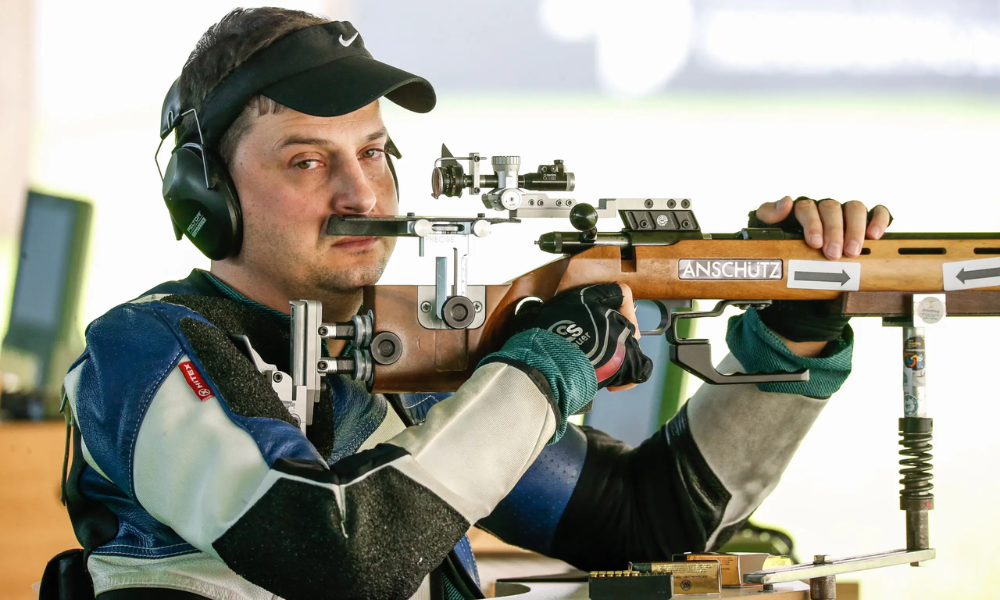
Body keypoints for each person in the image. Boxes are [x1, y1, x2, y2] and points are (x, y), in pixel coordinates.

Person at [56, 8, 891, 600]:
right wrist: (539, 369)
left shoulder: (405, 354)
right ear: (208, 193)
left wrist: (792, 332)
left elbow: (646, 519)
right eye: (307, 161)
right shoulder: (145, 352)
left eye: (376, 152)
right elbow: (343, 558)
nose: (360, 190)